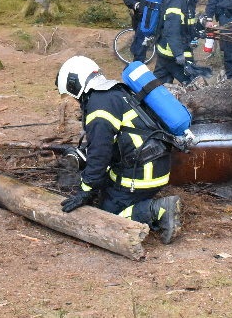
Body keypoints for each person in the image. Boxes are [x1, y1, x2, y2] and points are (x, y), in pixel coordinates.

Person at [55, 55, 181, 244]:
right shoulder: (117, 91)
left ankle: (157, 209)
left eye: (72, 95)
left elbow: (100, 152)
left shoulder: (99, 106)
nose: (75, 100)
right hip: (154, 165)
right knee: (105, 196)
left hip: (141, 175)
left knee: (103, 217)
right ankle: (142, 207)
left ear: (75, 84)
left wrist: (86, 190)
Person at [154, 0, 206, 84]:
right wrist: (178, 54)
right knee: (194, 84)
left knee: (158, 87)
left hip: (172, 51)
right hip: (172, 53)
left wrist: (198, 29)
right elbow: (172, 28)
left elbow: (186, 25)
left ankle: (145, 101)